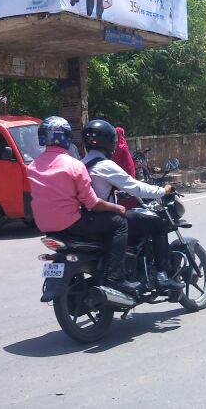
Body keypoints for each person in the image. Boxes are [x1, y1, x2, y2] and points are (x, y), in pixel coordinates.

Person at [27, 116, 139, 295]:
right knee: (119, 222)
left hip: (45, 227)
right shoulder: (74, 165)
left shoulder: (32, 166)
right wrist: (116, 208)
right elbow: (92, 203)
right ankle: (116, 278)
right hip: (72, 225)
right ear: (66, 137)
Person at [81, 120, 184, 292]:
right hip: (107, 216)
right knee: (157, 224)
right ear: (109, 141)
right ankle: (161, 275)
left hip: (87, 217)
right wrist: (162, 190)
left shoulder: (80, 163)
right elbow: (135, 186)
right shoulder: (104, 165)